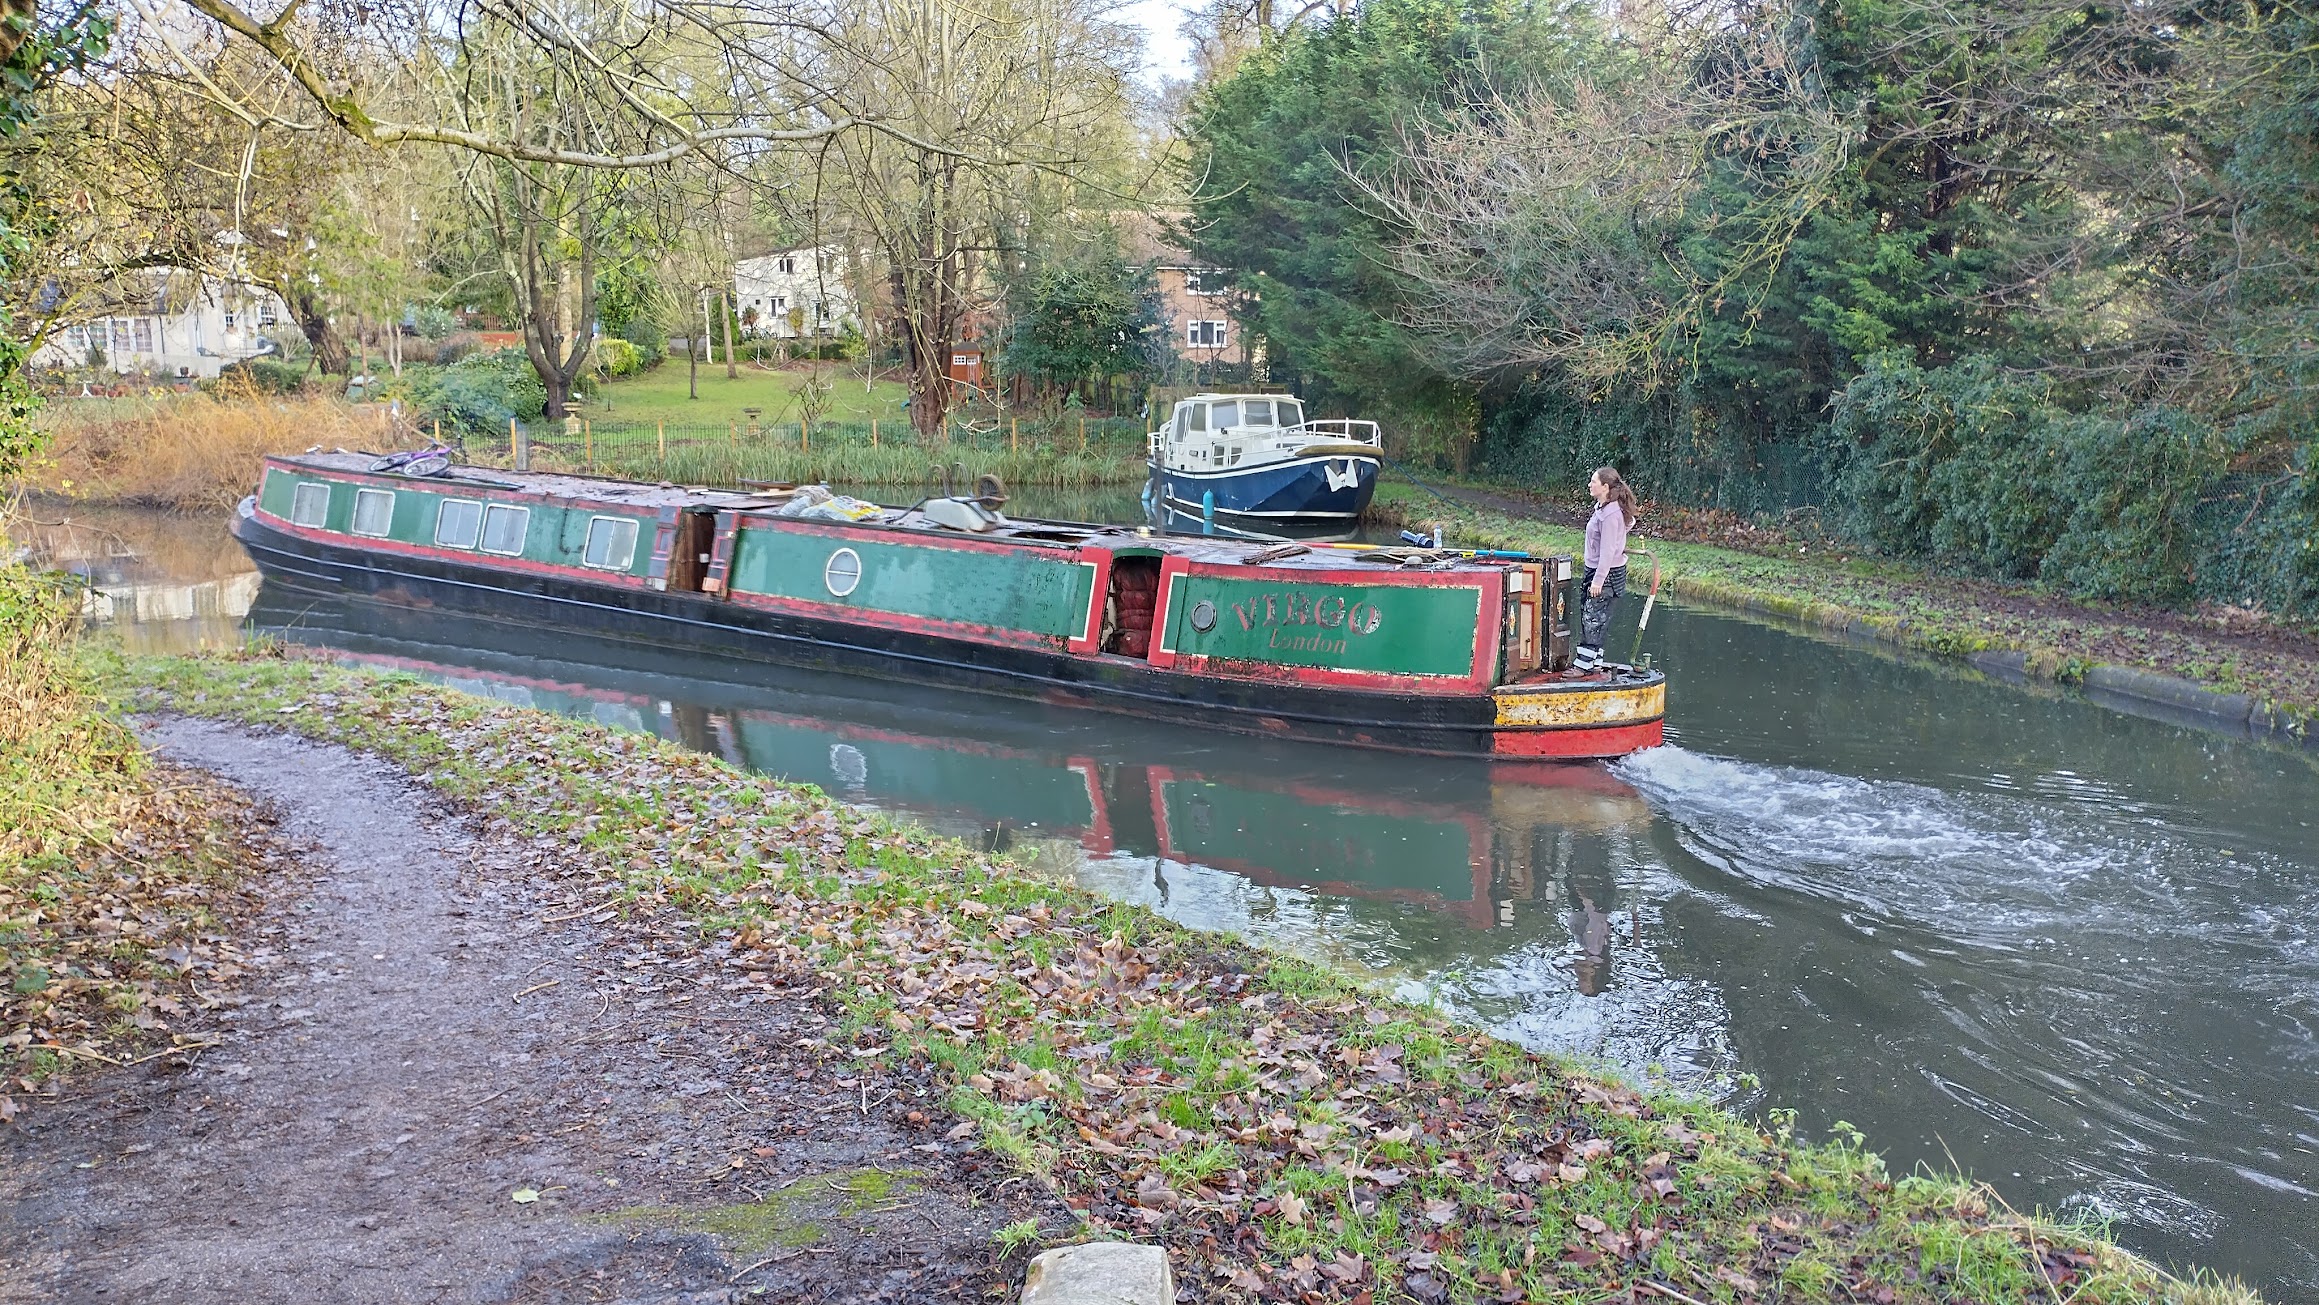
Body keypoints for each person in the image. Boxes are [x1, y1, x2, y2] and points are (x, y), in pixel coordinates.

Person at [1572, 467, 1637, 674]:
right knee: (1595, 617)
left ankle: (1583, 666)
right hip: (1599, 570)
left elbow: (1608, 551)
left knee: (1592, 618)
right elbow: (1630, 522)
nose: (1590, 485)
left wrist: (1598, 580)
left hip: (1605, 574)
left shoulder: (1610, 514)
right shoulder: (1604, 507)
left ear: (1605, 487)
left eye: (1593, 481)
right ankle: (1595, 663)